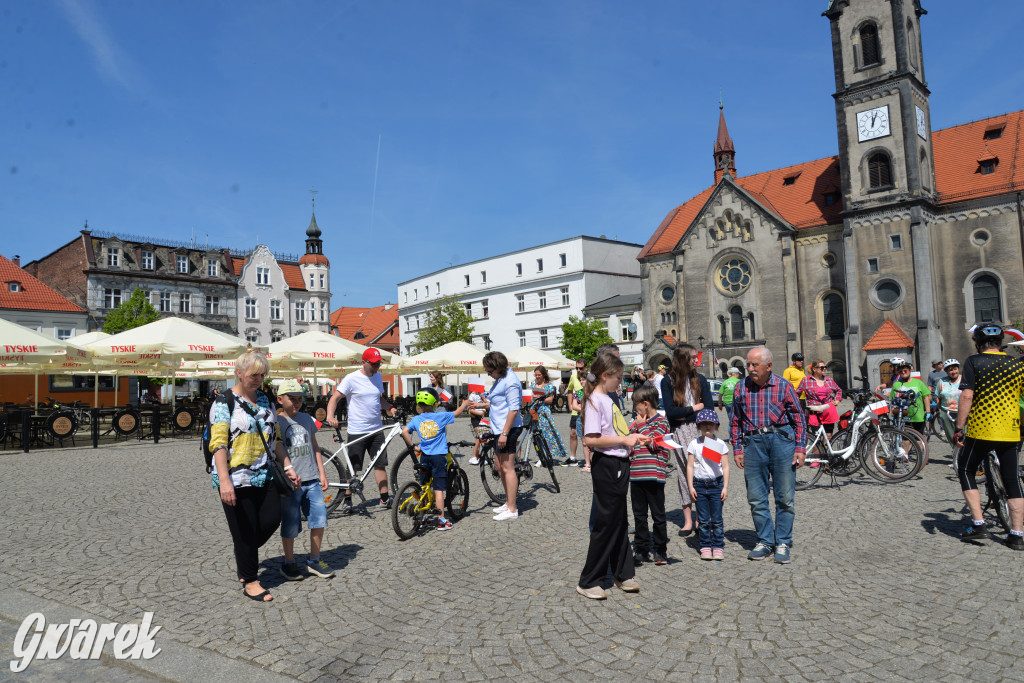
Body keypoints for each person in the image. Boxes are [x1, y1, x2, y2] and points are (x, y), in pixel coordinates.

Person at [210, 347, 300, 602]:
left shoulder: (266, 400)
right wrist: (224, 481)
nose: (259, 380)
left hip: (265, 473)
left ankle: (245, 551)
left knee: (272, 518)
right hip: (236, 478)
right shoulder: (223, 402)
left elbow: (277, 439)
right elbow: (218, 444)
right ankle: (250, 580)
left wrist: (288, 466)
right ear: (239, 373)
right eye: (254, 375)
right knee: (245, 529)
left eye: (262, 375)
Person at [730, 346, 805, 564]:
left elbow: (799, 418)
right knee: (756, 497)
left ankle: (782, 541)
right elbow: (735, 421)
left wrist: (800, 448)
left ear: (768, 366)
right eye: (748, 365)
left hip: (782, 441)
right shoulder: (740, 387)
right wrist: (736, 449)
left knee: (785, 497)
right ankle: (764, 540)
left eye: (755, 365)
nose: (750, 369)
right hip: (753, 444)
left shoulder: (784, 386)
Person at [577, 353, 643, 600]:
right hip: (607, 465)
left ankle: (623, 573)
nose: (621, 382)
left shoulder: (608, 398)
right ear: (605, 376)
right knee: (606, 523)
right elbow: (591, 439)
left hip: (619, 462)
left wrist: (633, 439)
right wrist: (624, 440)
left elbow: (614, 431)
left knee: (619, 520)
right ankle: (589, 580)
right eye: (618, 377)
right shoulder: (595, 400)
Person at [955, 324, 1024, 549]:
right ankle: (1016, 535)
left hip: (981, 430)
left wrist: (959, 427)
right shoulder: (1017, 364)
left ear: (977, 342)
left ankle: (978, 525)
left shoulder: (974, 361)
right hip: (1010, 431)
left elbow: (966, 396)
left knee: (965, 469)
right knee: (1012, 480)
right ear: (1000, 342)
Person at [325, 347, 398, 513]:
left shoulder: (378, 377)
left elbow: (379, 399)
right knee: (354, 467)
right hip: (357, 429)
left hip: (376, 429)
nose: (377, 366)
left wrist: (390, 408)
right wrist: (330, 416)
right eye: (373, 364)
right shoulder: (351, 378)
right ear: (364, 362)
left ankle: (385, 498)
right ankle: (347, 499)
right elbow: (335, 398)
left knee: (380, 464)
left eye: (378, 363)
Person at [276, 380, 334, 581]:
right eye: (292, 399)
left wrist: (322, 473)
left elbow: (315, 447)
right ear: (280, 399)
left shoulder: (307, 419)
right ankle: (289, 562)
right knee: (290, 524)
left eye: (299, 398)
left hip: (312, 479)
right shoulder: (277, 422)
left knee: (319, 519)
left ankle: (314, 560)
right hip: (291, 484)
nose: (297, 402)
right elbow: (276, 450)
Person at [660, 344, 713, 537]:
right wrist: (694, 408)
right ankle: (688, 520)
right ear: (682, 359)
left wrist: (690, 412)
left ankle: (701, 518)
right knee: (683, 473)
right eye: (692, 357)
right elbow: (671, 413)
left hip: (701, 431)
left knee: (702, 473)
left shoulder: (701, 379)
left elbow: (709, 409)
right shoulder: (668, 382)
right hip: (680, 432)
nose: (696, 360)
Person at [402, 388, 473, 530]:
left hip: (425, 456)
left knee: (425, 487)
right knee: (439, 489)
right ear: (434, 404)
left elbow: (404, 432)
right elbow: (457, 413)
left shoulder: (416, 419)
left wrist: (414, 447)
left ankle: (424, 516)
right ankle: (441, 520)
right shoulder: (440, 416)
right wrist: (464, 403)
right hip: (439, 457)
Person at [628, 385, 671, 566]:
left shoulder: (662, 422)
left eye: (636, 406)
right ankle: (642, 549)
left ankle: (660, 550)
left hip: (653, 474)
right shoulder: (636, 424)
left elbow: (654, 444)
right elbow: (629, 442)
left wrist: (641, 426)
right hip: (636, 474)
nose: (635, 410)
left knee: (658, 515)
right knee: (639, 515)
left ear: (645, 404)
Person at [477, 351, 523, 521]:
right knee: (499, 465)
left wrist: (504, 433)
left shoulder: (510, 382)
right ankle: (508, 502)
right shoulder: (501, 379)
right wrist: (481, 404)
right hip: (499, 429)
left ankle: (512, 509)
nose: (488, 374)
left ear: (498, 368)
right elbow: (498, 402)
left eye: (490, 371)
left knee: (507, 468)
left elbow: (513, 409)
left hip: (508, 430)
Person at [686, 409, 730, 561]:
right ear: (699, 426)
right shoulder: (694, 444)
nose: (707, 427)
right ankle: (705, 545)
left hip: (716, 485)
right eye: (704, 424)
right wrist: (690, 486)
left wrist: (725, 487)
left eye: (710, 424)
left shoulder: (720, 444)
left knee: (717, 519)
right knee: (703, 520)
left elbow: (725, 467)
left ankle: (717, 546)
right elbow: (690, 466)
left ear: (716, 426)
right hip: (699, 484)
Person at [531, 365, 573, 466]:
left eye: (539, 375)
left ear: (543, 374)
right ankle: (541, 456)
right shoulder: (533, 385)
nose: (537, 376)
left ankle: (546, 455)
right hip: (535, 412)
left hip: (544, 412)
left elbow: (550, 400)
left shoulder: (548, 386)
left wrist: (540, 398)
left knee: (547, 434)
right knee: (536, 436)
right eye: (536, 375)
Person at [797, 360, 842, 436]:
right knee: (817, 437)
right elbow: (797, 393)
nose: (824, 369)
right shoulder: (806, 381)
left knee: (829, 436)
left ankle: (826, 448)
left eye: (825, 367)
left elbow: (838, 390)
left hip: (828, 410)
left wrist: (837, 399)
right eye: (821, 367)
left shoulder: (829, 380)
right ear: (814, 369)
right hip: (814, 411)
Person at [889, 359, 930, 435]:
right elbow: (892, 399)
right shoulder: (896, 384)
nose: (903, 372)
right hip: (903, 417)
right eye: (901, 371)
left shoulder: (918, 382)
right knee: (905, 441)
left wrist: (928, 412)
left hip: (918, 417)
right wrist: (892, 413)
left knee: (918, 440)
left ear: (910, 371)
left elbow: (925, 397)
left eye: (905, 370)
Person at [566, 358, 588, 469]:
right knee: (573, 433)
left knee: (586, 436)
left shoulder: (590, 377)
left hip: (588, 411)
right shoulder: (573, 376)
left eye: (581, 368)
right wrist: (570, 405)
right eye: (577, 368)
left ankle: (589, 459)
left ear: (586, 368)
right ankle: (573, 457)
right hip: (576, 409)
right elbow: (570, 390)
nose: (578, 370)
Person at [934, 359, 961, 443]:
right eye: (950, 370)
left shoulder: (964, 380)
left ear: (958, 369)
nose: (953, 372)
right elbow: (938, 396)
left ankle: (964, 453)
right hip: (947, 412)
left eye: (955, 369)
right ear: (946, 371)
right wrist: (940, 410)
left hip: (962, 412)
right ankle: (955, 452)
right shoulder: (942, 381)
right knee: (951, 435)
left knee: (964, 434)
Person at [467, 392, 487, 466]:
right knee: (478, 437)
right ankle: (473, 457)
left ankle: (478, 457)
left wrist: (483, 397)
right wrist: (480, 413)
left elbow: (486, 404)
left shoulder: (480, 394)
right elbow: (470, 410)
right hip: (475, 418)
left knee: (481, 438)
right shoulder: (472, 395)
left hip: (480, 418)